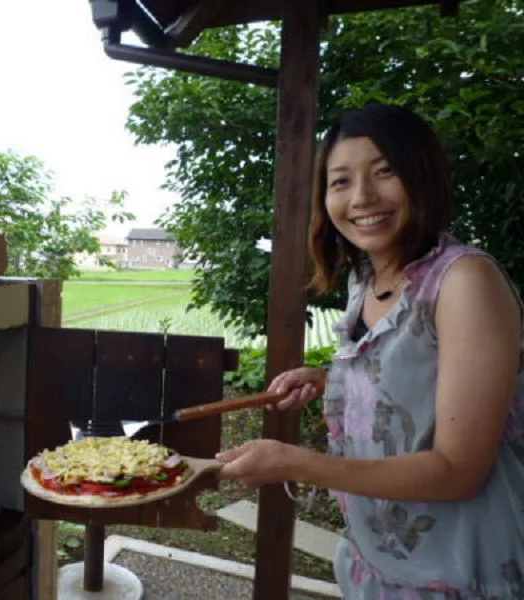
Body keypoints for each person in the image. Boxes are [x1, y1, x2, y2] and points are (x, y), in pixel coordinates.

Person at [216, 103, 524, 599]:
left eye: (385, 171)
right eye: (340, 181)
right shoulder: (370, 276)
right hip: (378, 560)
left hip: (459, 572)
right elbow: (413, 371)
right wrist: (329, 379)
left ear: (423, 176)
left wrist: (295, 462)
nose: (361, 197)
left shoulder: (465, 282)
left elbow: (459, 470)